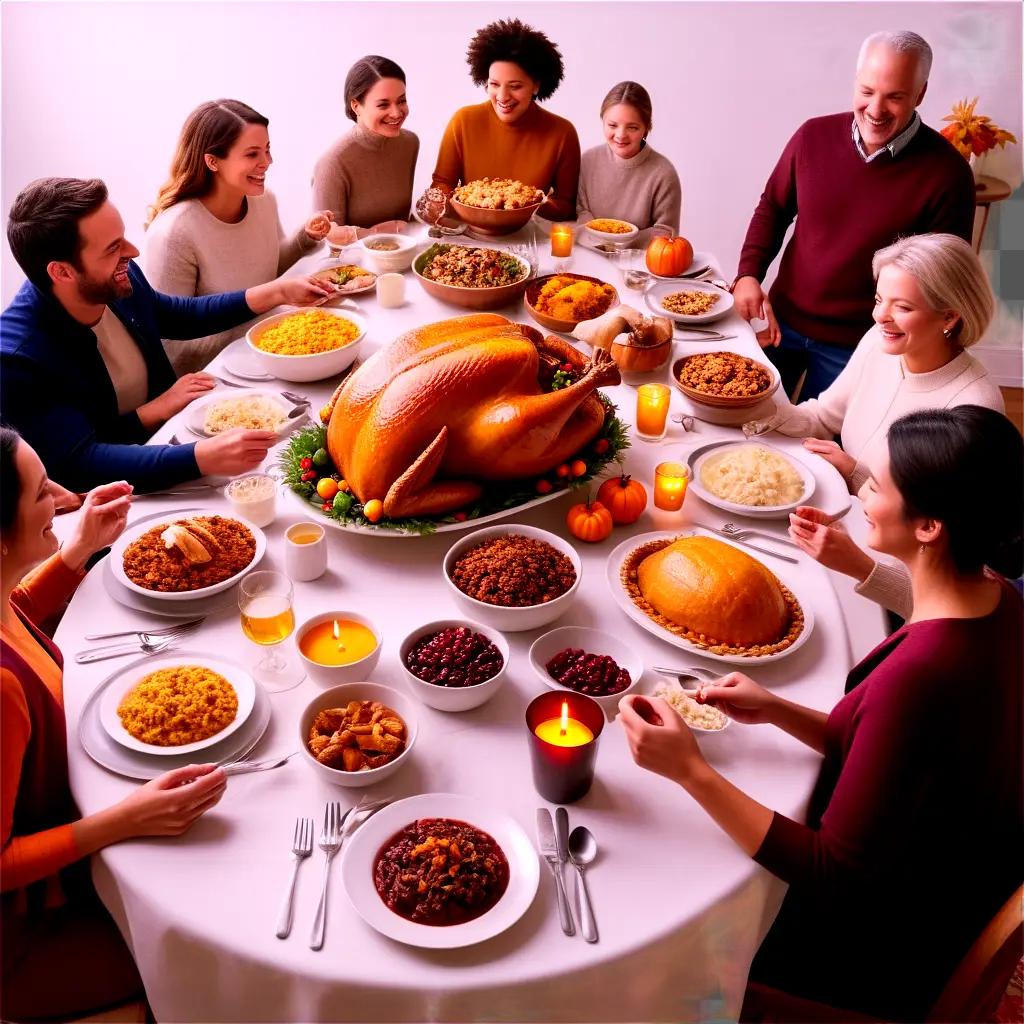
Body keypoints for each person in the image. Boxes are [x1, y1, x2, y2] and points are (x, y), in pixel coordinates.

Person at [620, 405, 1022, 1021]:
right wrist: (778, 709)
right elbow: (903, 753)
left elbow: (831, 873)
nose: (862, 493)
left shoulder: (924, 674)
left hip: (870, 951)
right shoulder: (999, 603)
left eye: (877, 487)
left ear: (930, 527)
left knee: (648, 914)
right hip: (947, 875)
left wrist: (690, 770)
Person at [0, 427, 228, 1020]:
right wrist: (128, 818)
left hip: (66, 828)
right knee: (210, 964)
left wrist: (75, 549)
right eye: (38, 494)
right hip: (27, 928)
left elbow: (16, 610)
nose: (60, 494)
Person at [1, 177, 333, 493]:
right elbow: (80, 462)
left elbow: (174, 315)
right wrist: (196, 454)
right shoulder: (16, 359)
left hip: (175, 436)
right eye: (113, 247)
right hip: (122, 490)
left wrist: (275, 292)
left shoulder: (119, 276)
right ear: (61, 271)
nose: (133, 252)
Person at [745, 233, 1003, 618]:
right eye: (880, 300)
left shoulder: (972, 409)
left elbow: (961, 590)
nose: (879, 316)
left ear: (949, 315)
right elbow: (820, 417)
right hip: (839, 532)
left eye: (902, 307)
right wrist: (747, 406)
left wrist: (856, 477)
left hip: (884, 586)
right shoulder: (880, 344)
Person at [732, 30, 976, 401]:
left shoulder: (949, 174)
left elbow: (942, 279)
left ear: (920, 93)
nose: (876, 110)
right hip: (779, 323)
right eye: (867, 91)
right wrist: (749, 274)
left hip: (863, 346)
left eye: (894, 97)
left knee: (820, 448)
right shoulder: (812, 136)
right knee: (744, 419)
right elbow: (773, 208)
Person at [144, 99, 334, 374]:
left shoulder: (264, 201)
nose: (267, 162)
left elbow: (266, 269)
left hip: (272, 349)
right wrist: (271, 311)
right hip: (216, 374)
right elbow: (171, 344)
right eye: (252, 154)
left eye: (267, 150)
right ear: (212, 161)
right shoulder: (174, 232)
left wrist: (305, 238)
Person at [430, 18, 580, 221]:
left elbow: (566, 205)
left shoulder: (562, 132)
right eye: (494, 84)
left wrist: (526, 205)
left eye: (515, 86)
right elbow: (442, 184)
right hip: (469, 235)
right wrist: (450, 205)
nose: (502, 96)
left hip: (529, 238)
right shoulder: (463, 121)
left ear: (536, 85)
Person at [311, 56, 419, 234]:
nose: (397, 113)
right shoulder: (332, 163)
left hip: (404, 256)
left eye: (402, 101)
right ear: (356, 106)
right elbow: (327, 239)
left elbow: (404, 220)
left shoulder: (410, 143)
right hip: (352, 261)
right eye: (383, 105)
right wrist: (375, 234)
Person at [576, 81, 682, 244]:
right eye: (612, 125)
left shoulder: (663, 173)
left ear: (646, 128)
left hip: (638, 261)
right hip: (590, 253)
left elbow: (666, 232)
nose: (620, 135)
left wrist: (621, 245)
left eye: (632, 127)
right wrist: (602, 242)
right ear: (602, 121)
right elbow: (580, 211)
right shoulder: (588, 160)